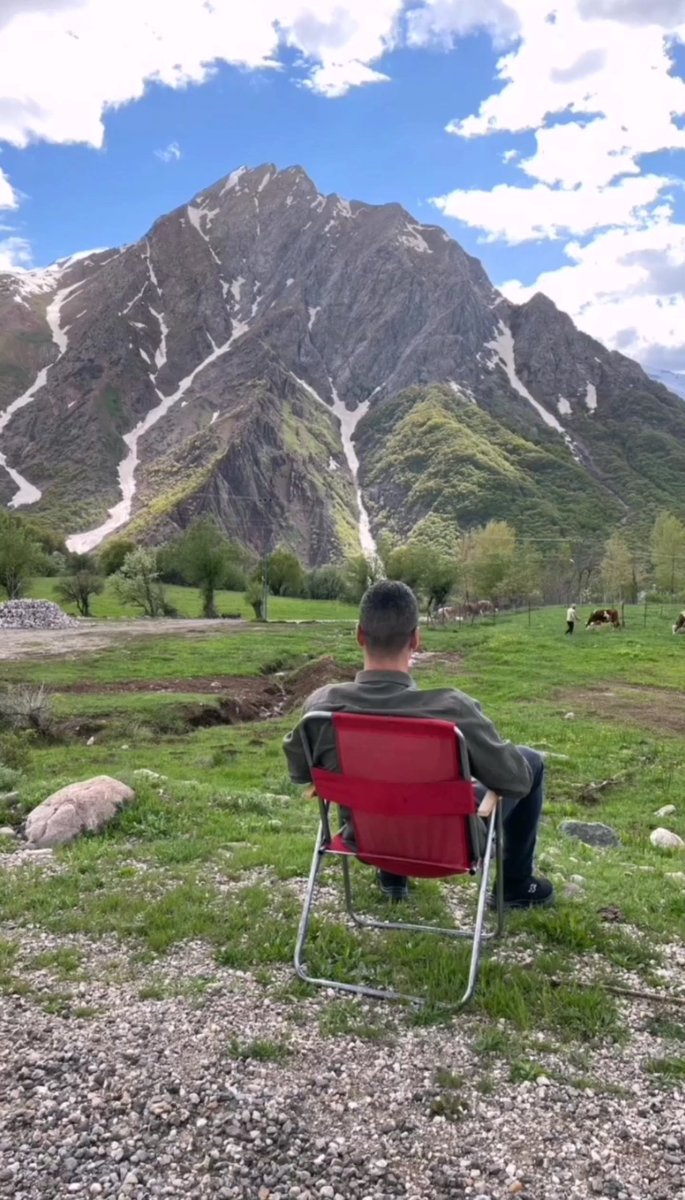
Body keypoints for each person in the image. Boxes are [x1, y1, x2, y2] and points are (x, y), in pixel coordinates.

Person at [283, 580, 554, 908]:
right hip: (450, 846)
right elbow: (517, 780)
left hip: (366, 840)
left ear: (359, 635)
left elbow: (300, 774)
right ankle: (514, 886)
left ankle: (391, 873)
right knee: (531, 762)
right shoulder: (453, 709)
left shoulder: (320, 708)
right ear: (415, 640)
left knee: (384, 785)